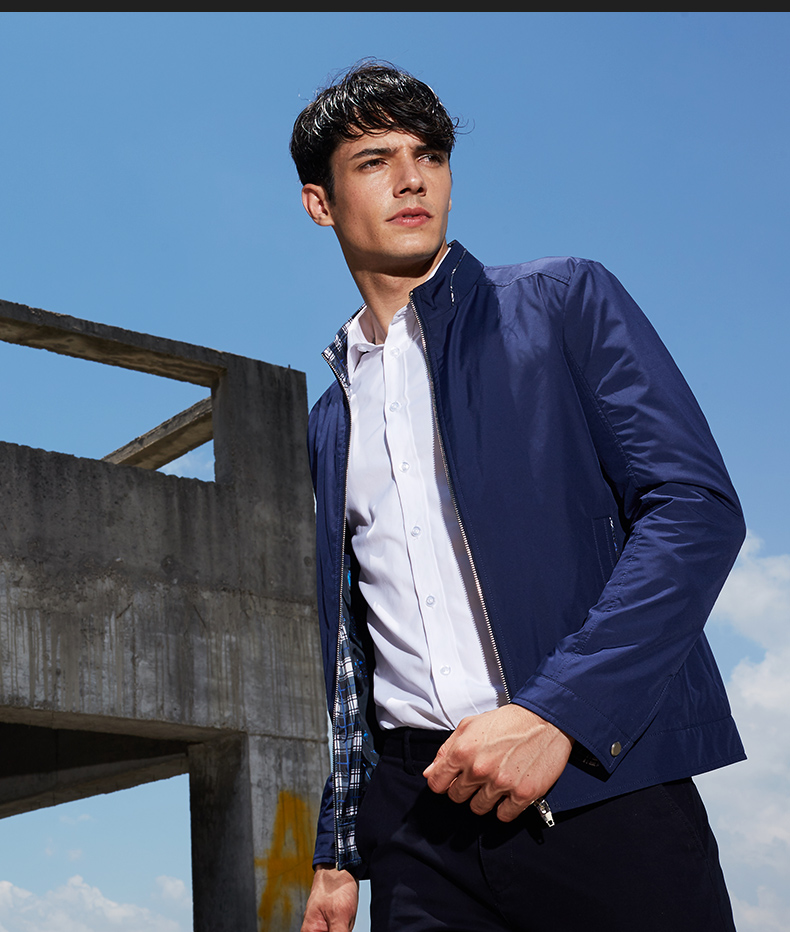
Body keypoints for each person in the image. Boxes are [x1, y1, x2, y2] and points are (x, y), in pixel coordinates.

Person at [291, 61, 745, 932]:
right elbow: (356, 649)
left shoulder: (563, 301)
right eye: (376, 161)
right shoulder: (330, 420)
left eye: (429, 155)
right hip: (419, 830)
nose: (413, 179)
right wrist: (339, 849)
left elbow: (694, 509)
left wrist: (559, 714)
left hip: (597, 788)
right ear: (321, 202)